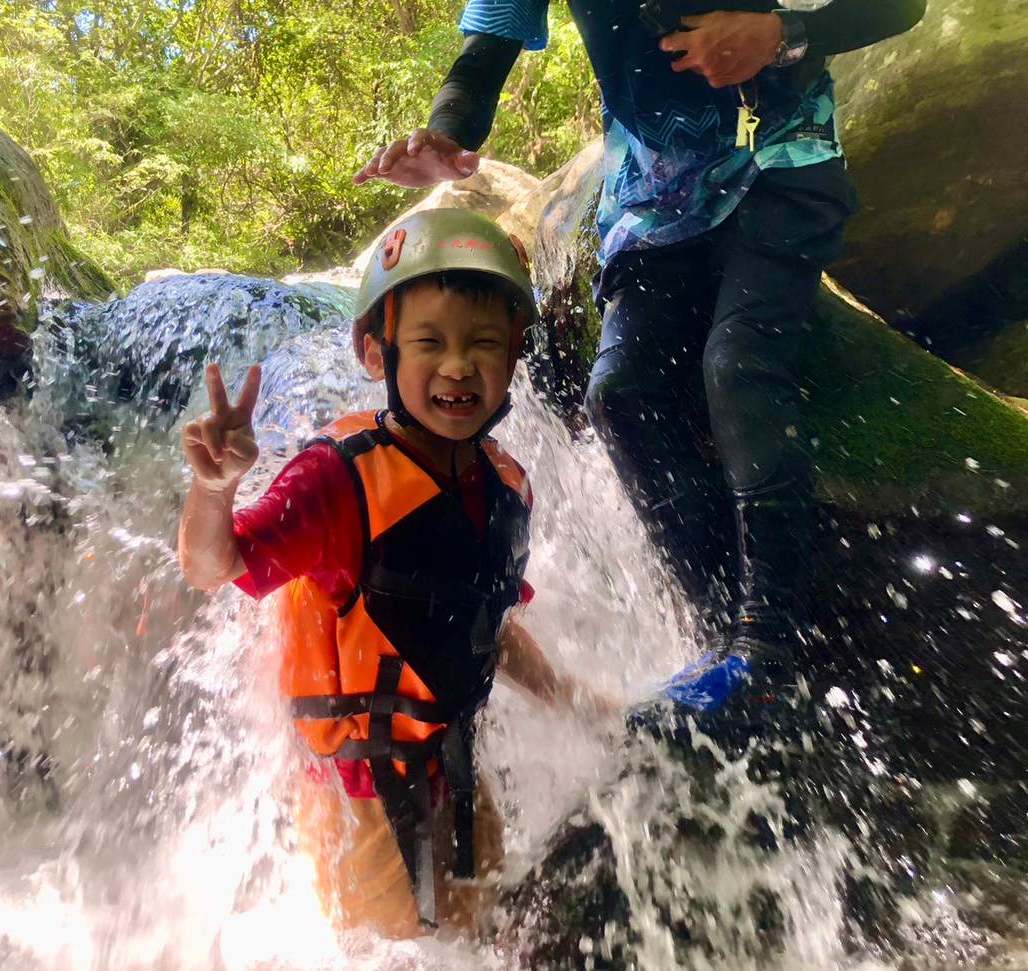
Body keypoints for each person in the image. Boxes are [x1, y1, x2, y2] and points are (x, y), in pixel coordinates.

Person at [357, 0, 926, 708]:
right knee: (619, 394)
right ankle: (721, 639)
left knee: (737, 367)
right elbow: (481, 59)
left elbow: (903, 8)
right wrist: (442, 140)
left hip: (780, 163)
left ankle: (768, 649)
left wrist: (779, 36)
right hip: (655, 201)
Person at [178, 209, 606, 937]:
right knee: (393, 951)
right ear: (377, 354)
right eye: (429, 342)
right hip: (355, 791)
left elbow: (489, 629)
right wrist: (214, 490)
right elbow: (212, 565)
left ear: (513, 355)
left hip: (454, 768)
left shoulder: (506, 487)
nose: (458, 366)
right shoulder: (335, 480)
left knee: (486, 939)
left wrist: (578, 703)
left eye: (483, 344)